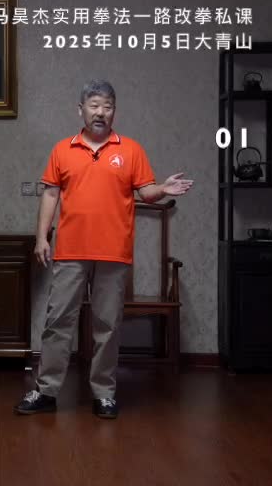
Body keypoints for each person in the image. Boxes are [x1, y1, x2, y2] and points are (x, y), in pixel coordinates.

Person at [14, 80, 193, 419]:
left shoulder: (131, 150)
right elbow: (50, 194)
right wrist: (41, 238)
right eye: (94, 105)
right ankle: (46, 390)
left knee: (107, 326)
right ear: (80, 110)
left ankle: (104, 393)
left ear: (114, 112)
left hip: (113, 251)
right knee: (58, 322)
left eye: (107, 106)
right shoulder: (62, 150)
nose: (100, 112)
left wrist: (163, 188)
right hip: (71, 251)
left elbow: (146, 192)